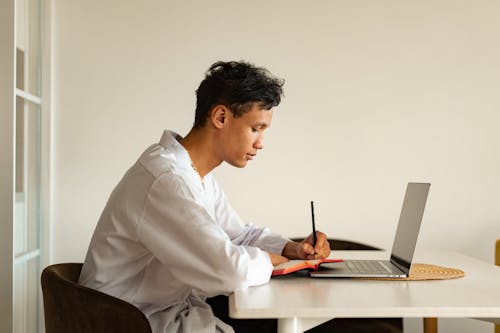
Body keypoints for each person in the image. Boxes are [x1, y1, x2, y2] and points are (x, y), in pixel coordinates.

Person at [79, 60, 331, 333]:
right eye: (255, 129)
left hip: (161, 310)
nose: (260, 143)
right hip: (128, 321)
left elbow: (237, 235)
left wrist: (291, 250)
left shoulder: (195, 175)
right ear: (221, 117)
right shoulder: (167, 180)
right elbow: (228, 271)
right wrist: (271, 261)